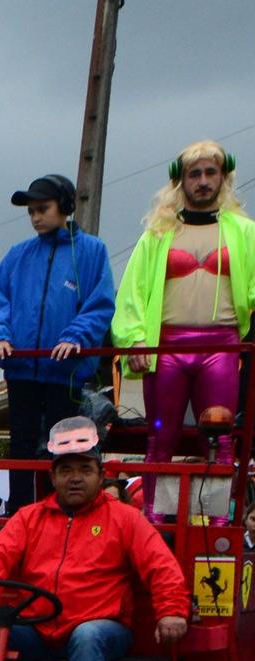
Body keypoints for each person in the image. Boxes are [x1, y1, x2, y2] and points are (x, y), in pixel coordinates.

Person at [0, 417, 188, 661]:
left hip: (103, 630)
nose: (75, 479)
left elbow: (161, 565)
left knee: (88, 634)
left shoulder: (125, 519)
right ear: (53, 476)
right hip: (40, 629)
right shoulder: (29, 517)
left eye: (84, 469)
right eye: (66, 471)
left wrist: (171, 610)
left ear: (100, 475)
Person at [113, 139, 255, 521]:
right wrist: (135, 339)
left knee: (222, 436)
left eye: (211, 173)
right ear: (181, 182)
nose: (203, 181)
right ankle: (154, 515)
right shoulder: (157, 235)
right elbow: (132, 294)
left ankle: (219, 518)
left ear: (223, 178)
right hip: (168, 346)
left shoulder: (244, 233)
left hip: (221, 346)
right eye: (195, 174)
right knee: (161, 435)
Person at [0, 173, 116, 514]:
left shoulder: (91, 251)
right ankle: (20, 512)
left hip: (66, 372)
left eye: (42, 208)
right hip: (22, 368)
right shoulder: (18, 255)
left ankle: (59, 510)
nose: (36, 217)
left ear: (66, 207)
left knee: (64, 443)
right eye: (31, 211)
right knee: (22, 442)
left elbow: (99, 305)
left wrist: (76, 336)